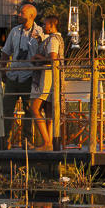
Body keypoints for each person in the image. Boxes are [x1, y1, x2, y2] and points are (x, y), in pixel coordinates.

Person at [0, 3, 42, 147]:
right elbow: (6, 52)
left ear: (31, 15)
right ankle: (4, 140)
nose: (19, 15)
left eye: (22, 13)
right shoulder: (15, 31)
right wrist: (3, 70)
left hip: (29, 76)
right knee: (7, 108)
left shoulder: (40, 33)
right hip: (13, 75)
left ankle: (26, 140)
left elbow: (44, 54)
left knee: (28, 110)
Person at [29, 13, 66, 149]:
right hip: (53, 78)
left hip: (47, 78)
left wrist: (37, 57)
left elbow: (53, 58)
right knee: (49, 112)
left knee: (34, 108)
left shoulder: (53, 40)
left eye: (45, 24)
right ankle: (49, 142)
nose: (43, 26)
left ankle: (47, 141)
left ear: (51, 25)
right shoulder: (55, 39)